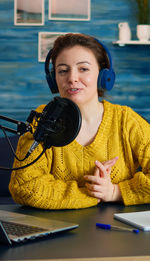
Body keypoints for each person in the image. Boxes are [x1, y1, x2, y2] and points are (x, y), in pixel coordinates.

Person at [9, 33, 150, 210]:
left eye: (83, 69)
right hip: (56, 230)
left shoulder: (126, 121)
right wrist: (93, 193)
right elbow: (23, 187)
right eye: (63, 70)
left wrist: (115, 192)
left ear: (103, 76)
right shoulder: (43, 118)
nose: (72, 78)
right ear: (54, 80)